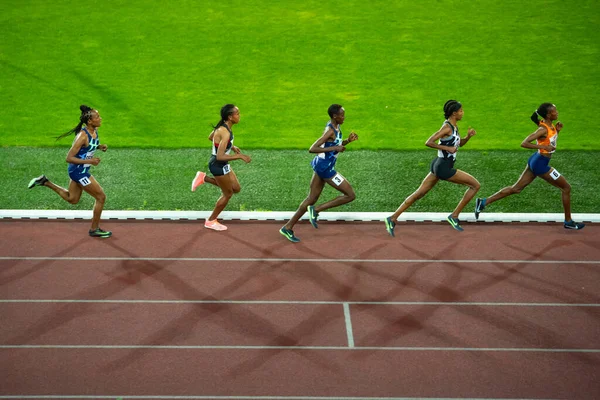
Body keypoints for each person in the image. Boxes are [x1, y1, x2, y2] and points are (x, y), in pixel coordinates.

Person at [474, 103, 585, 230]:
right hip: (540, 164)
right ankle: (568, 221)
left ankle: (483, 202)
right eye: (555, 111)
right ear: (549, 115)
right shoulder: (542, 129)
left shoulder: (548, 125)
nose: (557, 112)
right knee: (566, 188)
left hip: (536, 160)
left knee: (516, 189)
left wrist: (558, 131)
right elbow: (524, 143)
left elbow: (550, 141)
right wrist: (543, 147)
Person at [384, 100, 480, 236]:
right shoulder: (447, 128)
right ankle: (454, 216)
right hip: (443, 167)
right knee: (475, 185)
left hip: (439, 164)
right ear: (454, 113)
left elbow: (458, 145)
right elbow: (428, 142)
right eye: (461, 111)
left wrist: (468, 137)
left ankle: (392, 218)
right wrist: (447, 148)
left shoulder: (454, 127)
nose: (462, 113)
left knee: (419, 193)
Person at [27, 105, 111, 237]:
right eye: (97, 117)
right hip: (79, 172)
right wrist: (90, 161)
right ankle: (94, 229)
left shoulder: (93, 131)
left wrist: (100, 147)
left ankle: (45, 182)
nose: (100, 118)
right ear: (90, 121)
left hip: (78, 170)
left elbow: (87, 147)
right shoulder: (82, 136)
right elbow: (69, 158)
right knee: (101, 197)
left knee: (72, 199)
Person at [279, 104, 358, 242]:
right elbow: (313, 148)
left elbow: (333, 146)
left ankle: (288, 227)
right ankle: (316, 210)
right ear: (335, 116)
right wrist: (336, 147)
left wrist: (347, 142)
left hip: (321, 166)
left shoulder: (337, 127)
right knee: (350, 195)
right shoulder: (330, 130)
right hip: (325, 169)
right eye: (342, 115)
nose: (344, 117)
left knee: (311, 198)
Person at [191, 104, 251, 231]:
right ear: (230, 117)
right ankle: (211, 220)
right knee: (228, 193)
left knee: (236, 188)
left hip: (223, 165)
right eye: (237, 113)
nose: (239, 116)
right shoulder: (224, 132)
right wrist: (240, 157)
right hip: (217, 165)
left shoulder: (223, 127)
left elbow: (211, 137)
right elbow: (220, 156)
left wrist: (231, 147)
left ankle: (204, 178)